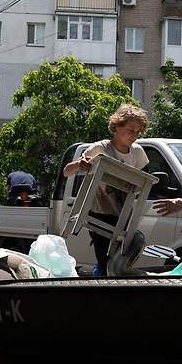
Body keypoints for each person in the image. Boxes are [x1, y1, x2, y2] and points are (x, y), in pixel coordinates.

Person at [63, 103, 149, 275]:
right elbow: (67, 171)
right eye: (131, 130)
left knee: (134, 242)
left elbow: (144, 181)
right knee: (103, 258)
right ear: (117, 126)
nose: (134, 135)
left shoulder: (137, 152)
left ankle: (113, 276)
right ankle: (104, 284)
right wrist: (80, 165)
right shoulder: (100, 148)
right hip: (99, 211)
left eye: (138, 132)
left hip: (123, 214)